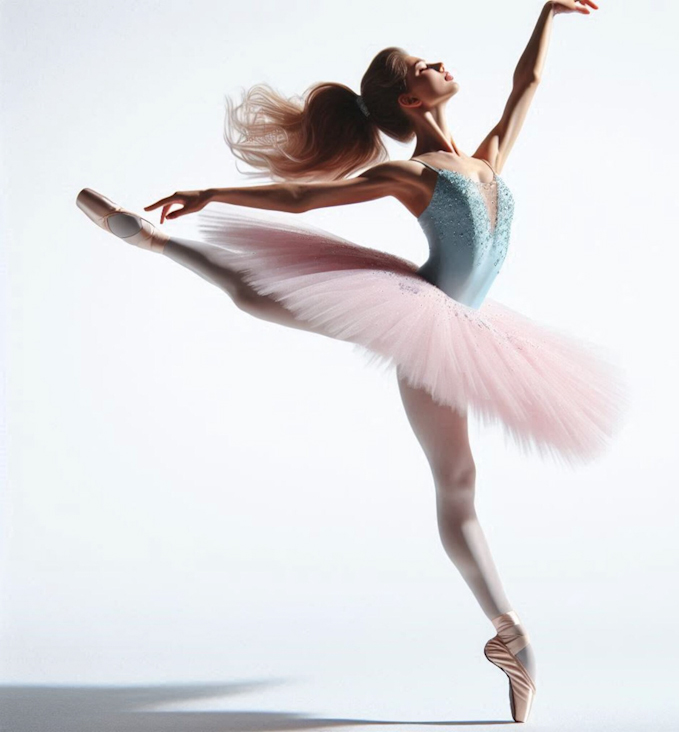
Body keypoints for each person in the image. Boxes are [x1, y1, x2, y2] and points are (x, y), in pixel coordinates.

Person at [76, 0, 622, 722]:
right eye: (422, 66)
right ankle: (155, 239)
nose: (439, 63)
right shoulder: (413, 174)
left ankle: (506, 635)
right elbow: (303, 197)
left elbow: (529, 85)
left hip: (469, 327)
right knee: (267, 298)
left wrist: (547, 12)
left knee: (459, 482)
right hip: (424, 320)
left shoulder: (486, 160)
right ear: (410, 100)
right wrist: (212, 192)